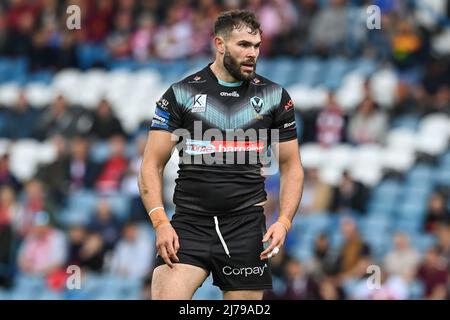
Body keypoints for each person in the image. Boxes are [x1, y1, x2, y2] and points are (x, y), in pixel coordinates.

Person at [139, 10, 304, 300]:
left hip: (246, 228)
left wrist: (284, 221)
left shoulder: (275, 97)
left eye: (256, 45)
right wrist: (161, 223)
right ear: (219, 44)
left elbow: (291, 166)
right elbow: (151, 164)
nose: (252, 53)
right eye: (243, 45)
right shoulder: (180, 94)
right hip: (189, 226)